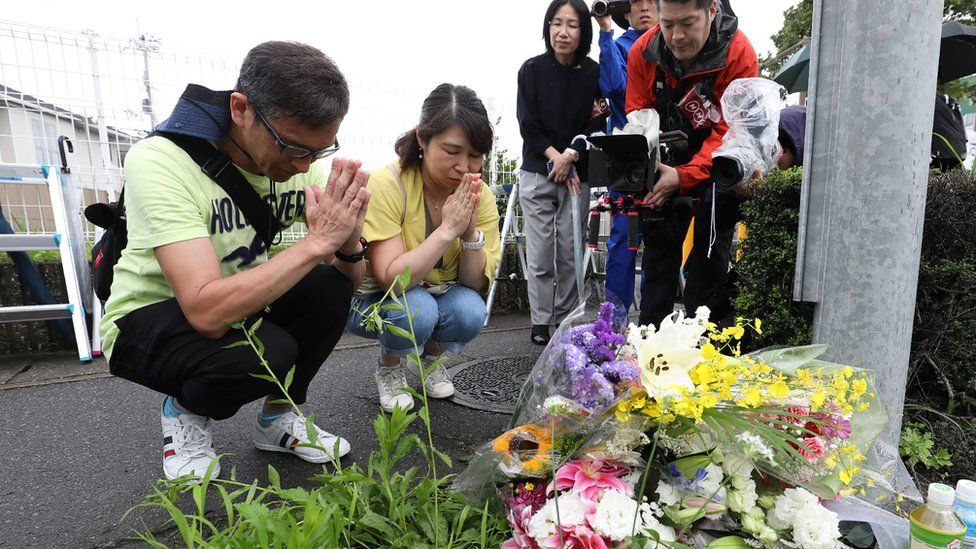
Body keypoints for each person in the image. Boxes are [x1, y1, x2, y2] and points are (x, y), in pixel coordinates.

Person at [99, 42, 371, 480]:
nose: (303, 167)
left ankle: (277, 419)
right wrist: (316, 243)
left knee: (329, 288)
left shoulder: (300, 165)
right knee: (268, 352)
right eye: (292, 148)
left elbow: (351, 281)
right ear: (241, 109)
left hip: (238, 302)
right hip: (148, 318)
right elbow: (206, 312)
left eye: (318, 151)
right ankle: (185, 414)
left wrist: (347, 236)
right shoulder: (161, 160)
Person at [346, 84, 501, 414]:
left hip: (435, 293)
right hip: (375, 301)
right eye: (452, 151)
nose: (464, 166)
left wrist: (469, 229)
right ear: (422, 139)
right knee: (416, 308)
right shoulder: (388, 183)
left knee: (472, 310)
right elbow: (393, 281)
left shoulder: (480, 194)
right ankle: (389, 366)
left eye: (475, 155)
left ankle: (428, 360)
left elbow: (474, 285)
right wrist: (447, 230)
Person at [625, 0, 758, 328]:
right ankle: (648, 346)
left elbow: (732, 131)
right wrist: (654, 171)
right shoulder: (644, 52)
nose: (677, 36)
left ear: (712, 9)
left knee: (707, 261)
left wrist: (684, 177)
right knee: (657, 254)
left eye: (687, 23)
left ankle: (710, 350)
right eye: (668, 24)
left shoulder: (739, 53)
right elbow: (639, 118)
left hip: (719, 165)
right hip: (667, 161)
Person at [518, 0, 607, 345]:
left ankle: (568, 319)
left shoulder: (593, 73)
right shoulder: (530, 70)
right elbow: (528, 124)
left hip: (576, 176)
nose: (562, 32)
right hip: (538, 172)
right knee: (540, 254)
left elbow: (598, 121)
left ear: (583, 30)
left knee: (571, 251)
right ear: (547, 27)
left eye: (571, 25)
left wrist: (571, 155)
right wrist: (556, 157)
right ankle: (540, 322)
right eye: (556, 23)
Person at [593, 0, 659, 319]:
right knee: (624, 236)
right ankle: (613, 323)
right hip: (628, 155)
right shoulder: (618, 45)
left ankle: (653, 322)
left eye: (652, 1)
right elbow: (613, 86)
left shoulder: (675, 44)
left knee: (662, 237)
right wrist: (605, 32)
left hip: (666, 154)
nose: (644, 7)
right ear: (627, 11)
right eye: (636, 1)